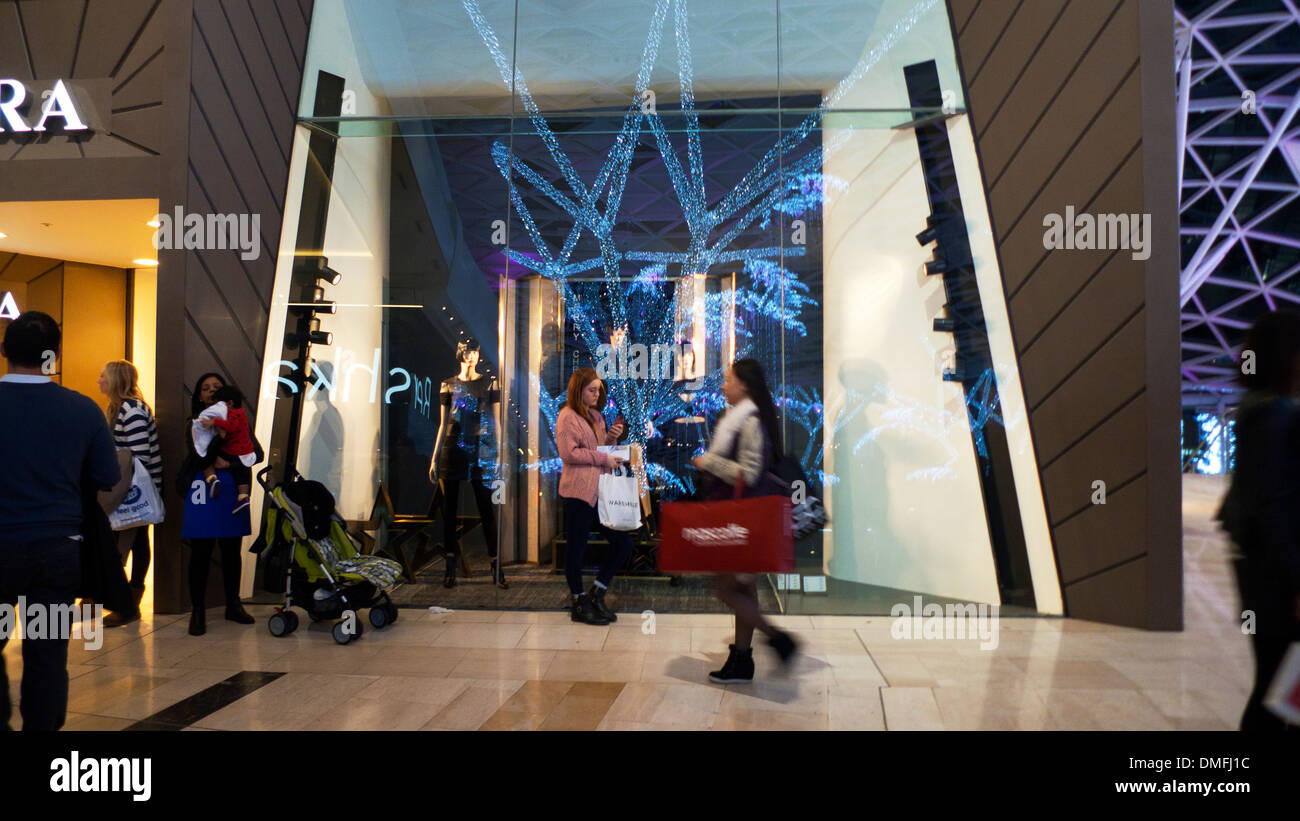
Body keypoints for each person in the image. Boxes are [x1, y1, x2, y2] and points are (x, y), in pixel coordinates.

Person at [0, 312, 120, 730]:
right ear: (55, 355)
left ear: (4, 350)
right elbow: (108, 477)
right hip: (57, 553)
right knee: (47, 654)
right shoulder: (83, 410)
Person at [1216, 311, 1300, 732]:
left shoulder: (1256, 413)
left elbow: (1239, 507)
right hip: (1279, 582)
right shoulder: (1279, 416)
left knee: (1275, 684)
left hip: (1260, 575)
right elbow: (1276, 507)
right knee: (1278, 689)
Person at [692, 358, 799, 683]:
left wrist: (709, 462)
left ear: (745, 386)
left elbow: (750, 473)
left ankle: (777, 638)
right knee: (742, 588)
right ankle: (742, 658)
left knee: (725, 587)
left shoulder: (749, 421)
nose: (724, 385)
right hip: (740, 514)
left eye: (728, 380)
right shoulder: (736, 419)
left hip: (746, 517)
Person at [177, 372, 256, 636]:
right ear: (199, 396)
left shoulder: (238, 420)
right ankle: (197, 611)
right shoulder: (196, 423)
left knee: (232, 550)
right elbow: (200, 459)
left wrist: (230, 463)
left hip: (233, 491)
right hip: (203, 492)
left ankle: (233, 605)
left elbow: (256, 454)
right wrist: (220, 437)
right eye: (206, 388)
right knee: (200, 551)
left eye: (217, 387)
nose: (211, 391)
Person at [429, 338, 508, 589]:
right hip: (452, 449)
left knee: (487, 509)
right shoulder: (448, 385)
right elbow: (443, 424)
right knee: (449, 511)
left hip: (480, 449)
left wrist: (498, 454)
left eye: (474, 351)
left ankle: (496, 565)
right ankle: (450, 565)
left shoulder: (489, 382)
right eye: (467, 351)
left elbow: (496, 422)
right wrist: (434, 457)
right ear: (459, 354)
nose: (471, 356)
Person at [556, 367, 632, 625]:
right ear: (579, 390)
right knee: (576, 551)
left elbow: (599, 451)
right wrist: (603, 455)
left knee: (623, 544)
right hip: (578, 493)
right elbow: (569, 454)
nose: (597, 394)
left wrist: (610, 439)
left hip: (599, 493)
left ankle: (596, 593)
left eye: (598, 390)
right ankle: (578, 602)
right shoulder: (567, 416)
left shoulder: (597, 417)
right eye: (592, 390)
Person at [96, 359, 163, 627]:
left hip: (132, 490)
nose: (99, 380)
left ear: (115, 380)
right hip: (128, 487)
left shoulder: (130, 410)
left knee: (129, 542)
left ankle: (127, 602)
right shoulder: (121, 408)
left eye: (103, 376)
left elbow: (138, 457)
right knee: (134, 541)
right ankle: (124, 599)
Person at [196, 384, 256, 514]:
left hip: (234, 451)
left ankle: (212, 479)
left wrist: (214, 422)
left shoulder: (234, 415)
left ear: (229, 403)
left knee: (207, 455)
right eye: (205, 389)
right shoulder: (241, 414)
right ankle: (243, 496)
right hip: (244, 452)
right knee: (242, 474)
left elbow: (231, 426)